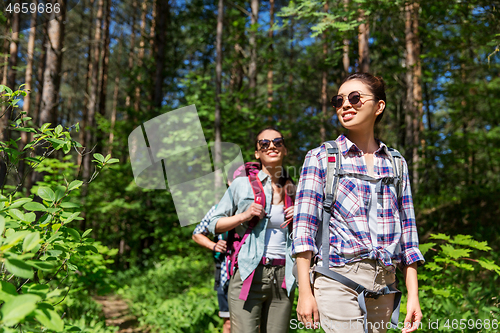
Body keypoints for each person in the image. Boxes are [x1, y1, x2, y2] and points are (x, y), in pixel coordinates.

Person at [293, 73, 425, 333]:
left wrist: (413, 295)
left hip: (385, 284)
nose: (345, 104)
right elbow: (303, 230)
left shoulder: (396, 163)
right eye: (338, 99)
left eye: (355, 98)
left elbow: (408, 236)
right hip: (337, 279)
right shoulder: (321, 158)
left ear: (379, 106)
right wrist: (304, 291)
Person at [208, 128, 297, 333]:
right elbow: (214, 223)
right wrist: (243, 216)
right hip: (249, 273)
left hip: (284, 277)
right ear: (257, 153)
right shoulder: (241, 185)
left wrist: (301, 215)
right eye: (264, 144)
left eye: (277, 142)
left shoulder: (294, 188)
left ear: (284, 149)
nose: (271, 146)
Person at [192, 162, 259, 333]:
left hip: (256, 271)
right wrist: (214, 245)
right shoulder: (218, 209)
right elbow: (197, 234)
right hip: (226, 273)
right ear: (230, 182)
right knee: (229, 322)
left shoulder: (261, 207)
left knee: (256, 322)